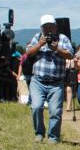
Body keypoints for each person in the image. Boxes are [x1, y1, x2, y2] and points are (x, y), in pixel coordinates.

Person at [25, 14, 73, 143]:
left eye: (51, 26)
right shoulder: (37, 37)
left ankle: (53, 136)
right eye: (46, 27)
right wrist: (39, 45)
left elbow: (70, 55)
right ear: (42, 28)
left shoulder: (63, 39)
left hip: (56, 82)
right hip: (38, 81)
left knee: (55, 111)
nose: (49, 30)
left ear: (55, 27)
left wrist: (56, 48)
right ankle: (39, 133)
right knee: (36, 107)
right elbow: (28, 53)